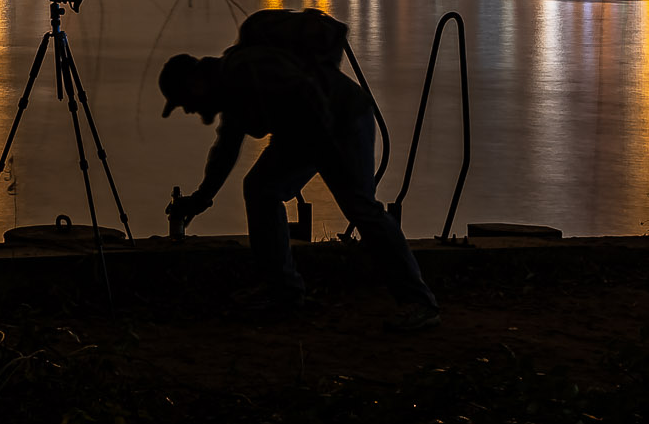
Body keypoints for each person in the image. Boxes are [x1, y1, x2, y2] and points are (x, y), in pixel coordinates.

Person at [159, 28, 440, 332]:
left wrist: (331, 153)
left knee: (362, 209)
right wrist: (201, 198)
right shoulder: (230, 87)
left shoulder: (245, 70)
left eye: (184, 101)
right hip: (306, 132)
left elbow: (306, 92)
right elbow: (226, 151)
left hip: (342, 119)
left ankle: (420, 303)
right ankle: (283, 290)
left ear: (195, 83)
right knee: (260, 189)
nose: (189, 109)